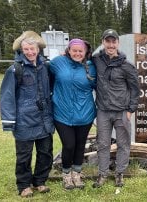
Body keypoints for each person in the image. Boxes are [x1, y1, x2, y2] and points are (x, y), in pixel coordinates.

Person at [0, 31, 54, 197]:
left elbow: (51, 88)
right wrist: (9, 121)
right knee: (24, 155)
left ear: (38, 49)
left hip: (44, 119)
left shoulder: (46, 67)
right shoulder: (15, 69)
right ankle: (24, 185)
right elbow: (7, 96)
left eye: (33, 48)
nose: (30, 52)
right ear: (21, 50)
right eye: (26, 49)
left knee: (45, 152)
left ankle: (40, 181)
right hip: (24, 120)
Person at [91, 29, 140, 188]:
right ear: (103, 42)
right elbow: (79, 54)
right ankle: (102, 173)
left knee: (123, 144)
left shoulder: (127, 65)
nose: (111, 45)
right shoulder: (96, 60)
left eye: (114, 41)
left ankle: (120, 173)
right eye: (108, 41)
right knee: (103, 144)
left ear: (118, 43)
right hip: (103, 111)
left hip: (121, 111)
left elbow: (135, 89)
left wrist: (131, 109)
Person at [49, 38, 96, 190]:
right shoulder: (57, 63)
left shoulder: (91, 67)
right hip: (62, 113)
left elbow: (100, 87)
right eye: (74, 50)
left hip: (85, 114)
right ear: (69, 50)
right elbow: (47, 80)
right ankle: (66, 174)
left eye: (80, 51)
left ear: (85, 52)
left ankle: (77, 173)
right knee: (69, 145)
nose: (77, 53)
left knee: (80, 145)